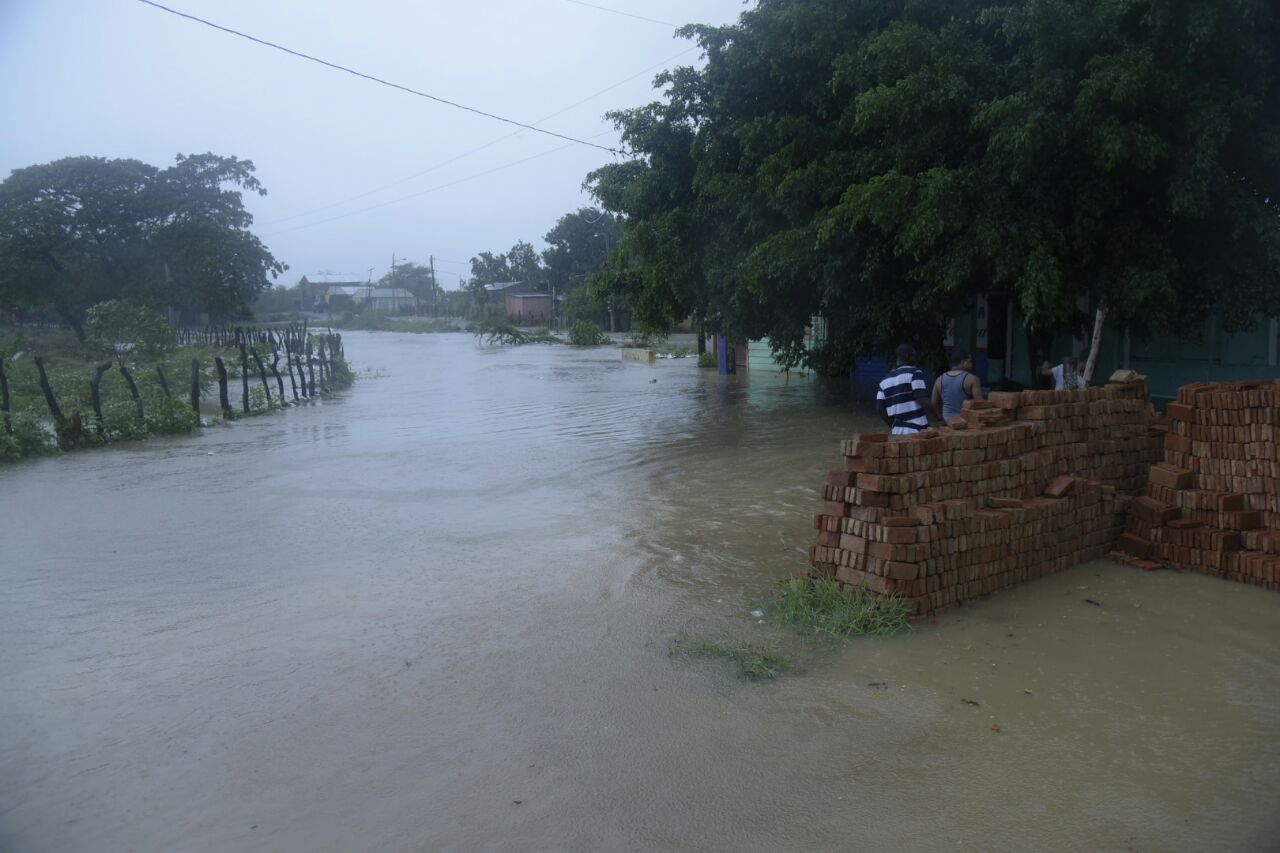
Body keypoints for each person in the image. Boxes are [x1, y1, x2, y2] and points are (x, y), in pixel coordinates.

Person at [877, 344, 937, 435]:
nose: (915, 360)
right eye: (914, 356)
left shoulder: (884, 380)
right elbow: (922, 399)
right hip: (916, 431)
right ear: (908, 356)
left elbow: (879, 408)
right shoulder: (914, 372)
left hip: (896, 432)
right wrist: (939, 417)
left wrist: (893, 425)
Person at [931, 349, 982, 422]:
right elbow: (979, 403)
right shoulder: (972, 379)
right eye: (970, 361)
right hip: (966, 421)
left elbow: (934, 402)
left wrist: (940, 417)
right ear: (962, 362)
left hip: (947, 420)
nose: (972, 364)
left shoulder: (939, 379)